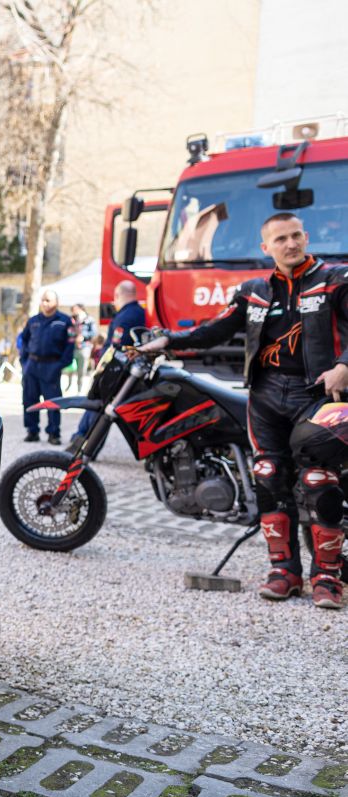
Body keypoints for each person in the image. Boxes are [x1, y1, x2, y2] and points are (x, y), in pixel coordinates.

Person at [138, 212, 348, 609]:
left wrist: (344, 366)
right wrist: (167, 340)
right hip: (265, 396)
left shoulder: (334, 280)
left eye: (295, 236)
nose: (290, 244)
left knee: (319, 480)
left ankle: (327, 578)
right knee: (268, 476)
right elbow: (212, 331)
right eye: (280, 239)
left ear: (306, 237)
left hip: (317, 395)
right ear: (266, 247)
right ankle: (283, 573)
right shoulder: (254, 291)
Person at [70, 280, 146, 447]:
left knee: (97, 406)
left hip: (116, 372)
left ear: (118, 295)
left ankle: (85, 443)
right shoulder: (138, 312)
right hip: (126, 371)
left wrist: (102, 369)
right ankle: (82, 440)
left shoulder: (125, 316)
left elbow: (116, 348)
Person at [20, 289, 75, 445]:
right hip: (32, 365)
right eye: (43, 300)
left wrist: (60, 365)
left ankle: (53, 433)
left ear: (56, 303)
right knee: (29, 399)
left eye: (48, 300)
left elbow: (70, 345)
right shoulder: (33, 321)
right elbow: (24, 340)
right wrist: (24, 362)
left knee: (53, 401)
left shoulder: (65, 321)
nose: (44, 303)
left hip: (52, 365)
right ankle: (32, 431)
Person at [66, 303, 96, 393]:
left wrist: (83, 336)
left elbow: (94, 333)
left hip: (84, 347)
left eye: (75, 309)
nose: (73, 311)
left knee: (81, 370)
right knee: (70, 368)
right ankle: (69, 385)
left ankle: (79, 388)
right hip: (73, 347)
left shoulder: (89, 319)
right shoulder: (71, 320)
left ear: (81, 309)